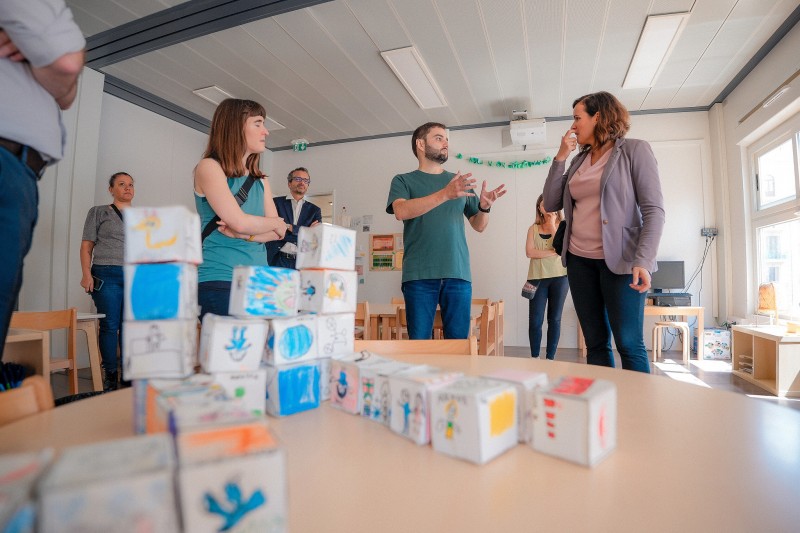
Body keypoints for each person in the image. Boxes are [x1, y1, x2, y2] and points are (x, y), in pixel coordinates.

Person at [543, 91, 664, 373]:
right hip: (578, 261)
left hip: (622, 262)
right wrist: (561, 157)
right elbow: (550, 202)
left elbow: (653, 210)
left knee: (629, 343)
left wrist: (643, 260)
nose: (573, 126)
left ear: (599, 116)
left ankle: (638, 413)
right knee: (595, 343)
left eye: (577, 118)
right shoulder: (577, 161)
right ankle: (604, 406)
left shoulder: (635, 150)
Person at [0, 1, 85, 360]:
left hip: (19, 170)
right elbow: (66, 63)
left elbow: (66, 92)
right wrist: (55, 62)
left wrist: (52, 64)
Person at [386, 122, 506, 339]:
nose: (446, 144)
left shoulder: (459, 183)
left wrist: (484, 207)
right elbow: (401, 211)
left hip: (457, 274)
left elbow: (479, 225)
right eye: (439, 138)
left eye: (447, 140)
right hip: (419, 275)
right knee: (420, 346)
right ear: (420, 144)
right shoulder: (403, 180)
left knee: (458, 346)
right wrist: (445, 194)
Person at [194, 98, 286, 319]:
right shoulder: (209, 167)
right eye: (258, 123)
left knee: (263, 352)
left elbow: (278, 233)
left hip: (260, 281)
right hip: (222, 278)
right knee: (234, 353)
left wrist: (246, 234)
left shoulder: (260, 179)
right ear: (236, 126)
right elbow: (241, 222)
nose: (266, 131)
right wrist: (274, 222)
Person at [80, 173, 134, 390]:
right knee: (110, 325)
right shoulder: (99, 212)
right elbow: (86, 246)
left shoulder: (143, 216)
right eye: (121, 184)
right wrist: (86, 274)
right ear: (111, 189)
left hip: (134, 275)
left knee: (130, 326)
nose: (127, 188)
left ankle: (129, 373)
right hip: (106, 273)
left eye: (131, 185)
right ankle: (110, 373)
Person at [526, 194, 569, 360]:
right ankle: (534, 357)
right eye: (544, 205)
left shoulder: (563, 227)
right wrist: (552, 252)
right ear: (539, 208)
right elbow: (529, 252)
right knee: (535, 320)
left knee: (555, 319)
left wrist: (552, 225)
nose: (547, 207)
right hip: (536, 279)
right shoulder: (533, 229)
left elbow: (562, 249)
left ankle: (550, 358)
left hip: (560, 278)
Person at [267, 167, 322, 269]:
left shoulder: (315, 210)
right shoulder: (275, 203)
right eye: (298, 179)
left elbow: (314, 238)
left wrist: (290, 227)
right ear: (289, 183)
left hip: (302, 263)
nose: (302, 183)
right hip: (277, 259)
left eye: (306, 180)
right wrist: (305, 231)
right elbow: (273, 231)